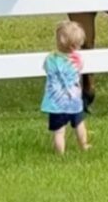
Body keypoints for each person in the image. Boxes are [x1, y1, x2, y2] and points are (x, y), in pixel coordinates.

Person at [41, 20, 90, 154]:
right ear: (76, 45)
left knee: (59, 131)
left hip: (56, 102)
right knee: (79, 124)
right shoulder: (77, 60)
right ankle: (84, 145)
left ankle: (60, 153)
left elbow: (46, 68)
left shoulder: (50, 58)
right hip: (73, 100)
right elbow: (80, 69)